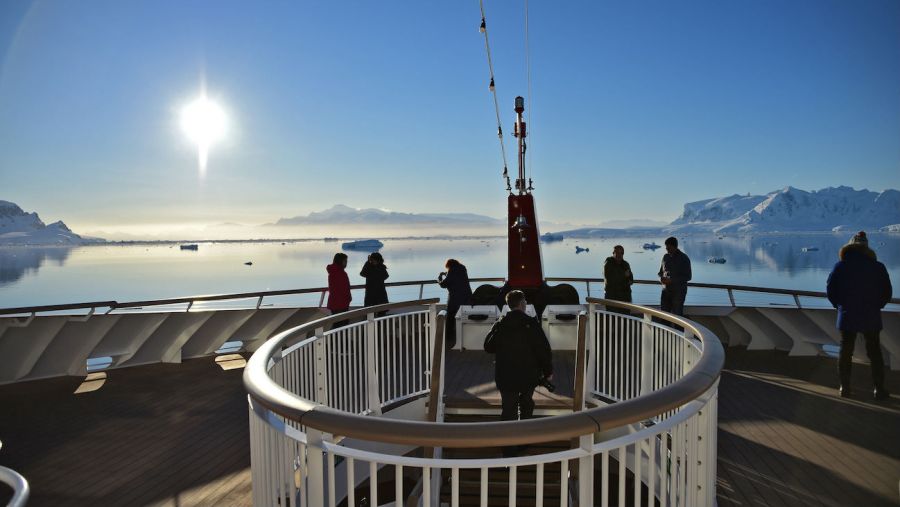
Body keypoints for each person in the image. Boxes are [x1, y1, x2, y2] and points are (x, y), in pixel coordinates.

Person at [484, 290, 553, 457]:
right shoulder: (531, 323)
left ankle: (507, 450)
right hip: (528, 376)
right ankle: (524, 441)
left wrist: (495, 328)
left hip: (506, 376)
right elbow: (543, 350)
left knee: (508, 410)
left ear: (509, 305)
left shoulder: (501, 323)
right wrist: (548, 371)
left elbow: (488, 347)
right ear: (522, 304)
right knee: (527, 404)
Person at [826, 231, 893, 400]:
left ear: (850, 246)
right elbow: (887, 291)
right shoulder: (877, 266)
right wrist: (877, 305)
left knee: (846, 351)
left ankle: (845, 388)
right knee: (875, 353)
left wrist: (840, 306)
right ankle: (879, 389)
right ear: (866, 247)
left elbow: (831, 289)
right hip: (871, 315)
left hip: (847, 315)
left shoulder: (840, 266)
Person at [438, 258, 472, 349]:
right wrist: (447, 274)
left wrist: (439, 278)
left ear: (449, 265)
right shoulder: (462, 268)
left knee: (450, 317)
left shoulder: (451, 271)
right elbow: (456, 277)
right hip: (467, 298)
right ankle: (466, 335)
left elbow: (443, 284)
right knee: (464, 316)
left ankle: (449, 337)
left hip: (455, 299)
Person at [658, 236, 692, 316]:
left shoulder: (684, 258)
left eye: (668, 248)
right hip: (665, 291)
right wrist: (661, 278)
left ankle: (678, 329)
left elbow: (688, 276)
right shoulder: (665, 257)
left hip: (678, 292)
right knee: (664, 315)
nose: (667, 249)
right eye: (666, 247)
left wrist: (672, 280)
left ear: (675, 246)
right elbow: (660, 272)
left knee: (677, 316)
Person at [604, 245, 634, 313]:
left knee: (625, 319)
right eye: (617, 252)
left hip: (625, 298)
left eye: (621, 253)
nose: (619, 255)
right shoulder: (608, 263)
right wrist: (624, 276)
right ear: (613, 253)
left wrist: (629, 281)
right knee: (612, 319)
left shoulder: (626, 264)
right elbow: (610, 280)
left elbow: (631, 279)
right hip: (612, 298)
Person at [326, 253, 351, 324]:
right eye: (345, 261)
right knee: (342, 325)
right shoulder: (341, 273)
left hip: (334, 302)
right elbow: (344, 289)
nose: (346, 263)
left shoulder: (332, 272)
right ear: (340, 261)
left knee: (337, 324)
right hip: (341, 303)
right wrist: (348, 298)